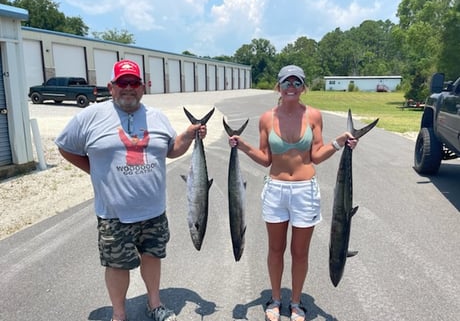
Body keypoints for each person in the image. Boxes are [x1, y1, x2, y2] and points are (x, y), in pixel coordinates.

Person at [55, 59, 207, 321]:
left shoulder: (157, 117)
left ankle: (155, 304)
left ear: (143, 87)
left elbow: (171, 150)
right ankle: (119, 314)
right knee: (116, 265)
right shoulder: (90, 116)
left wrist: (190, 134)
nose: (128, 88)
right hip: (114, 213)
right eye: (122, 83)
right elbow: (65, 146)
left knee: (152, 256)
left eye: (134, 83)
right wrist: (95, 171)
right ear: (111, 87)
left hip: (154, 211)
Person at [227, 65, 357, 321]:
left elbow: (316, 156)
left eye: (297, 83)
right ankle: (275, 300)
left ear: (303, 87)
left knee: (300, 252)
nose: (291, 87)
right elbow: (265, 159)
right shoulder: (266, 118)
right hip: (275, 189)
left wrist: (338, 143)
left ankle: (296, 303)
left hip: (304, 191)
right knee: (275, 249)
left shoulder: (314, 116)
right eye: (287, 82)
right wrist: (241, 146)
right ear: (278, 86)